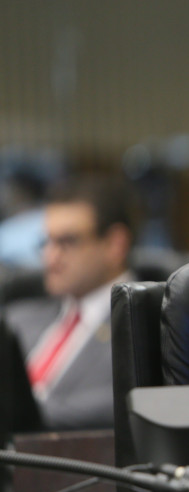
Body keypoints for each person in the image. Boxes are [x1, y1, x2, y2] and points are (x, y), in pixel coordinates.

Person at [4, 174, 136, 429]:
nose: (50, 258)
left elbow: (124, 405)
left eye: (67, 241)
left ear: (115, 244)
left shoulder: (147, 327)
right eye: (46, 243)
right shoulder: (16, 318)